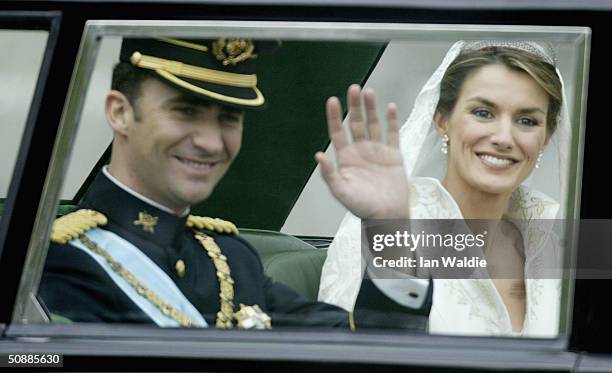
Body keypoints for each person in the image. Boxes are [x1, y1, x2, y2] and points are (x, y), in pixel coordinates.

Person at [40, 37, 431, 329]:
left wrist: (390, 223)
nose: (211, 142)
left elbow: (371, 350)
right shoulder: (50, 263)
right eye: (186, 110)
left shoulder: (230, 259)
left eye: (229, 118)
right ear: (120, 112)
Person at [318, 40, 569, 337]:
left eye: (526, 121)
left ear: (547, 137)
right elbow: (348, 352)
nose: (504, 137)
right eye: (483, 113)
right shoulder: (386, 224)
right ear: (442, 121)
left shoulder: (558, 234)